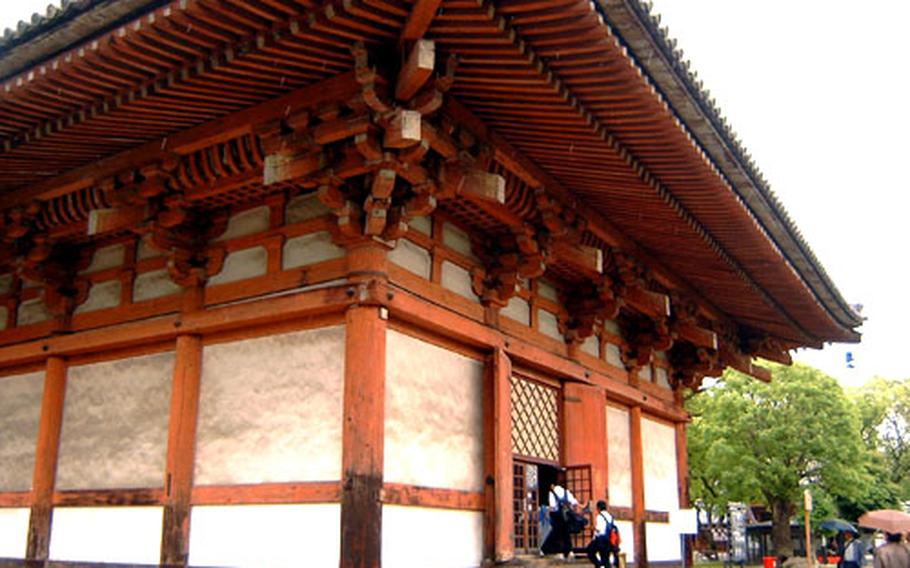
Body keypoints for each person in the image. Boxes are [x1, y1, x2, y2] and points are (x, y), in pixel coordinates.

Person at [540, 481, 579, 559]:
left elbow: (552, 506)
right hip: (566, 516)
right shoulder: (566, 492)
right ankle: (568, 551)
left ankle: (546, 549)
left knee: (555, 533)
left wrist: (547, 514)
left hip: (557, 516)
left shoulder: (552, 494)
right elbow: (574, 502)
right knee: (565, 534)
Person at [586, 500, 618, 568]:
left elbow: (599, 529)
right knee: (606, 558)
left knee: (590, 550)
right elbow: (615, 528)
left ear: (598, 508)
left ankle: (598, 564)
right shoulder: (611, 517)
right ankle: (603, 565)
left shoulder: (600, 516)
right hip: (609, 540)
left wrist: (592, 528)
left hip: (601, 540)